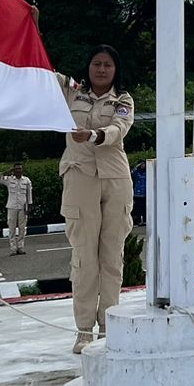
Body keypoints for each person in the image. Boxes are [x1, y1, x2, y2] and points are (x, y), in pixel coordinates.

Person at [59, 44, 136, 354]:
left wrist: (92, 135)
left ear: (115, 70)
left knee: (111, 255)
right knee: (83, 256)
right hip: (79, 176)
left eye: (108, 65)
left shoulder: (124, 99)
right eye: (96, 63)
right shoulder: (71, 92)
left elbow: (118, 129)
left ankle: (108, 325)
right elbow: (40, 70)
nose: (102, 69)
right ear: (88, 67)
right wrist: (34, 29)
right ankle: (84, 329)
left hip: (114, 178)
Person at [0, 162, 33, 254]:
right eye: (16, 169)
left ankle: (20, 247)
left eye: (20, 168)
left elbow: (29, 194)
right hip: (12, 207)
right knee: (11, 229)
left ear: (22, 170)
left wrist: (29, 206)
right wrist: (6, 172)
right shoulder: (9, 179)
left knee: (22, 228)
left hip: (23, 207)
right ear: (13, 170)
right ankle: (13, 248)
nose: (18, 170)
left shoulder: (26, 180)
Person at [131, 159, 147, 227]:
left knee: (145, 208)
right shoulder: (136, 172)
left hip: (145, 193)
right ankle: (138, 221)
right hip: (137, 193)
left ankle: (145, 221)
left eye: (144, 164)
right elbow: (131, 173)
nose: (143, 165)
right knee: (138, 208)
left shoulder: (147, 171)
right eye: (142, 164)